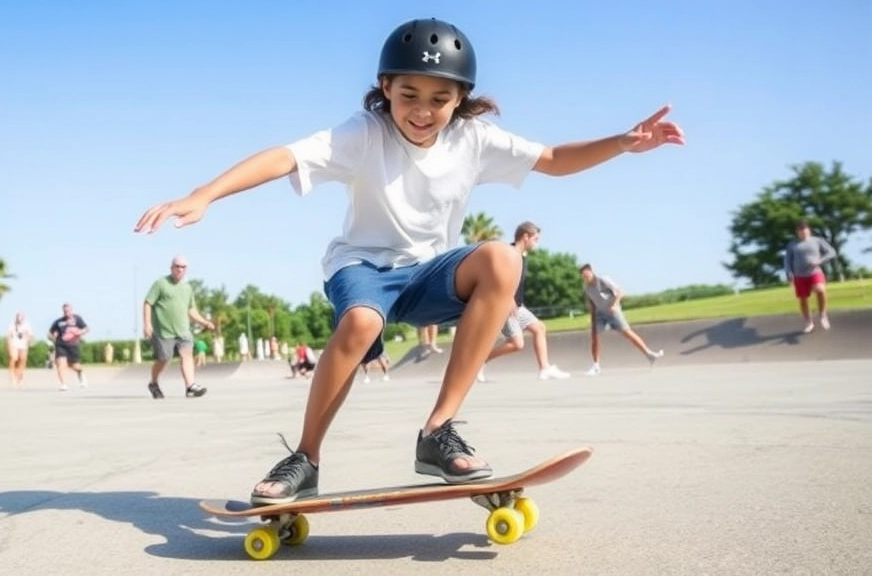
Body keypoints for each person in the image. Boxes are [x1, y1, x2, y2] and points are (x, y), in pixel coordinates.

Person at [134, 17, 684, 504]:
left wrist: (622, 142)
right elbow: (285, 157)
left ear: (460, 97)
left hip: (430, 273)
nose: (422, 111)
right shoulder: (362, 133)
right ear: (385, 88)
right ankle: (305, 458)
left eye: (439, 99)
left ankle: (438, 432)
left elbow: (554, 158)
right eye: (409, 95)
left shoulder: (474, 138)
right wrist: (204, 193)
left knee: (502, 260)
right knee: (361, 322)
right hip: (363, 271)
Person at [478, 222, 569, 382]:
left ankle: (544, 368)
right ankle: (478, 362)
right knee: (516, 344)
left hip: (517, 306)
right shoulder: (509, 253)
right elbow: (498, 277)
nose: (536, 243)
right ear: (525, 236)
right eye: (535, 239)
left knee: (539, 328)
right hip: (505, 305)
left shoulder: (522, 256)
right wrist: (509, 298)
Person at [143, 256, 214, 399]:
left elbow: (191, 310)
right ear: (171, 268)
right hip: (164, 331)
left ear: (186, 269)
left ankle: (190, 387)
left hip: (183, 331)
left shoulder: (187, 288)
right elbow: (148, 303)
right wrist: (147, 324)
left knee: (186, 354)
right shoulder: (161, 284)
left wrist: (204, 322)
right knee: (164, 359)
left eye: (183, 267)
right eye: (177, 266)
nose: (180, 269)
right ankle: (153, 382)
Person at [580, 264, 664, 376]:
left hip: (612, 311)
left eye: (587, 275)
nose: (586, 278)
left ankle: (649, 354)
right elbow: (592, 305)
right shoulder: (587, 288)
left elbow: (620, 291)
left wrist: (615, 305)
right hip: (599, 314)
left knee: (627, 332)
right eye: (583, 277)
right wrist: (592, 319)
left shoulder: (603, 279)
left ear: (591, 272)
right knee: (594, 337)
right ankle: (596, 366)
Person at [784, 219, 837, 333]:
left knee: (820, 290)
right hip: (799, 275)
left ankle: (823, 315)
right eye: (800, 230)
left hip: (814, 272)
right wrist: (789, 274)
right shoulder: (792, 244)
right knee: (803, 299)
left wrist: (820, 261)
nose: (803, 232)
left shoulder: (817, 241)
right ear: (797, 232)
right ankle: (809, 322)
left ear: (809, 230)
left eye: (805, 229)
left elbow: (831, 252)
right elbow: (787, 261)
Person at [48, 303, 89, 391]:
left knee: (75, 366)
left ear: (71, 310)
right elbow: (49, 333)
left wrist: (79, 332)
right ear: (63, 311)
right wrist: (52, 337)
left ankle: (80, 372)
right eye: (65, 311)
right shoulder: (58, 322)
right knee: (61, 364)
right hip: (60, 345)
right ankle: (63, 384)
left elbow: (86, 329)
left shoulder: (77, 319)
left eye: (68, 310)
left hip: (73, 345)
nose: (67, 312)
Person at [6, 311, 35, 387]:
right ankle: (12, 376)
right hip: (14, 344)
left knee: (22, 360)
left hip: (23, 345)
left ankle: (20, 377)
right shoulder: (12, 324)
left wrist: (29, 341)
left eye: (21, 317)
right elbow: (9, 336)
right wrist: (9, 345)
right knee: (14, 358)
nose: (19, 319)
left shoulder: (27, 325)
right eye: (18, 317)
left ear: (23, 318)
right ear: (16, 318)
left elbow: (31, 335)